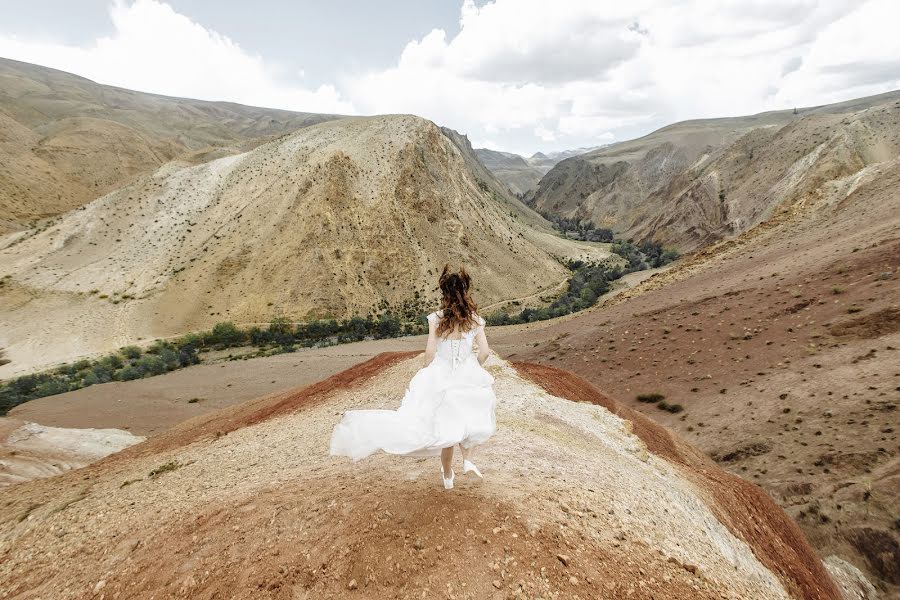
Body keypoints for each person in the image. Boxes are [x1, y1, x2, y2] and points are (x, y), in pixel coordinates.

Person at [329, 265, 497, 489]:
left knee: (447, 430)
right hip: (466, 374)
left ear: (444, 293)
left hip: (442, 374)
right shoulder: (475, 320)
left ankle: (448, 476)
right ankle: (467, 461)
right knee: (468, 421)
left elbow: (430, 352)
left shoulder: (436, 319)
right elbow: (484, 352)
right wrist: (471, 369)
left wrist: (428, 373)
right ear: (465, 292)